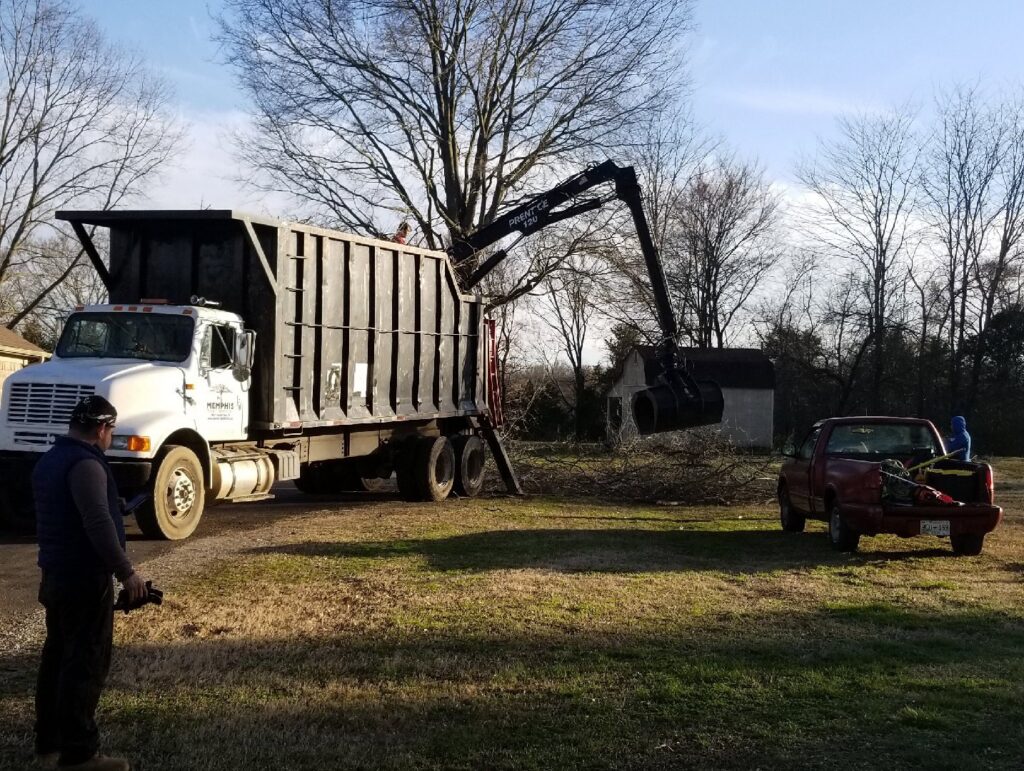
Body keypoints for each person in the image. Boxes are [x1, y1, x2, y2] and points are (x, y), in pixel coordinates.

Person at [33, 395, 147, 771]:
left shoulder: (50, 460)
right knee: (85, 664)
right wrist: (126, 573)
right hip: (84, 579)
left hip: (55, 575)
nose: (109, 436)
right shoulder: (86, 465)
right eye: (110, 430)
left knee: (57, 660)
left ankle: (49, 743)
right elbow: (96, 523)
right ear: (101, 428)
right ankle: (80, 754)